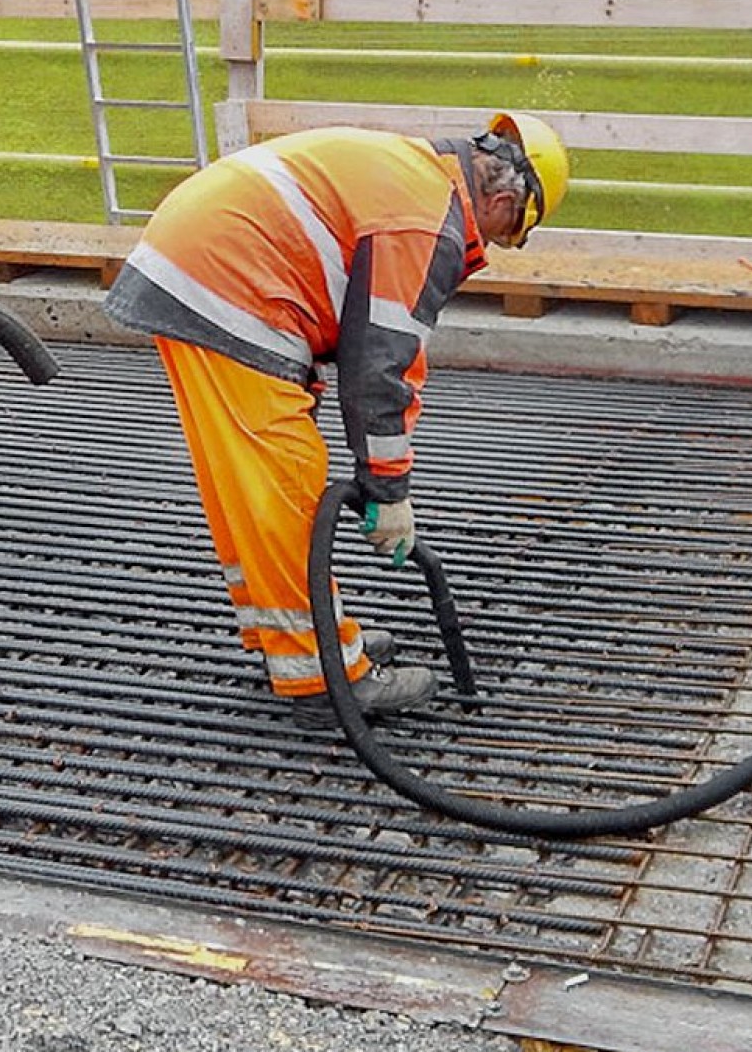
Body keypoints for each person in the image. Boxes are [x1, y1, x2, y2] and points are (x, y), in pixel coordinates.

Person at [104, 113, 568, 717]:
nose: (502, 247)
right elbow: (381, 365)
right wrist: (389, 489)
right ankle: (324, 676)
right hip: (229, 285)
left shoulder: (416, 175)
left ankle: (300, 636)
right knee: (288, 483)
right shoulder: (427, 220)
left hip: (201, 268)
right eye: (513, 234)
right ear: (504, 199)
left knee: (250, 489)